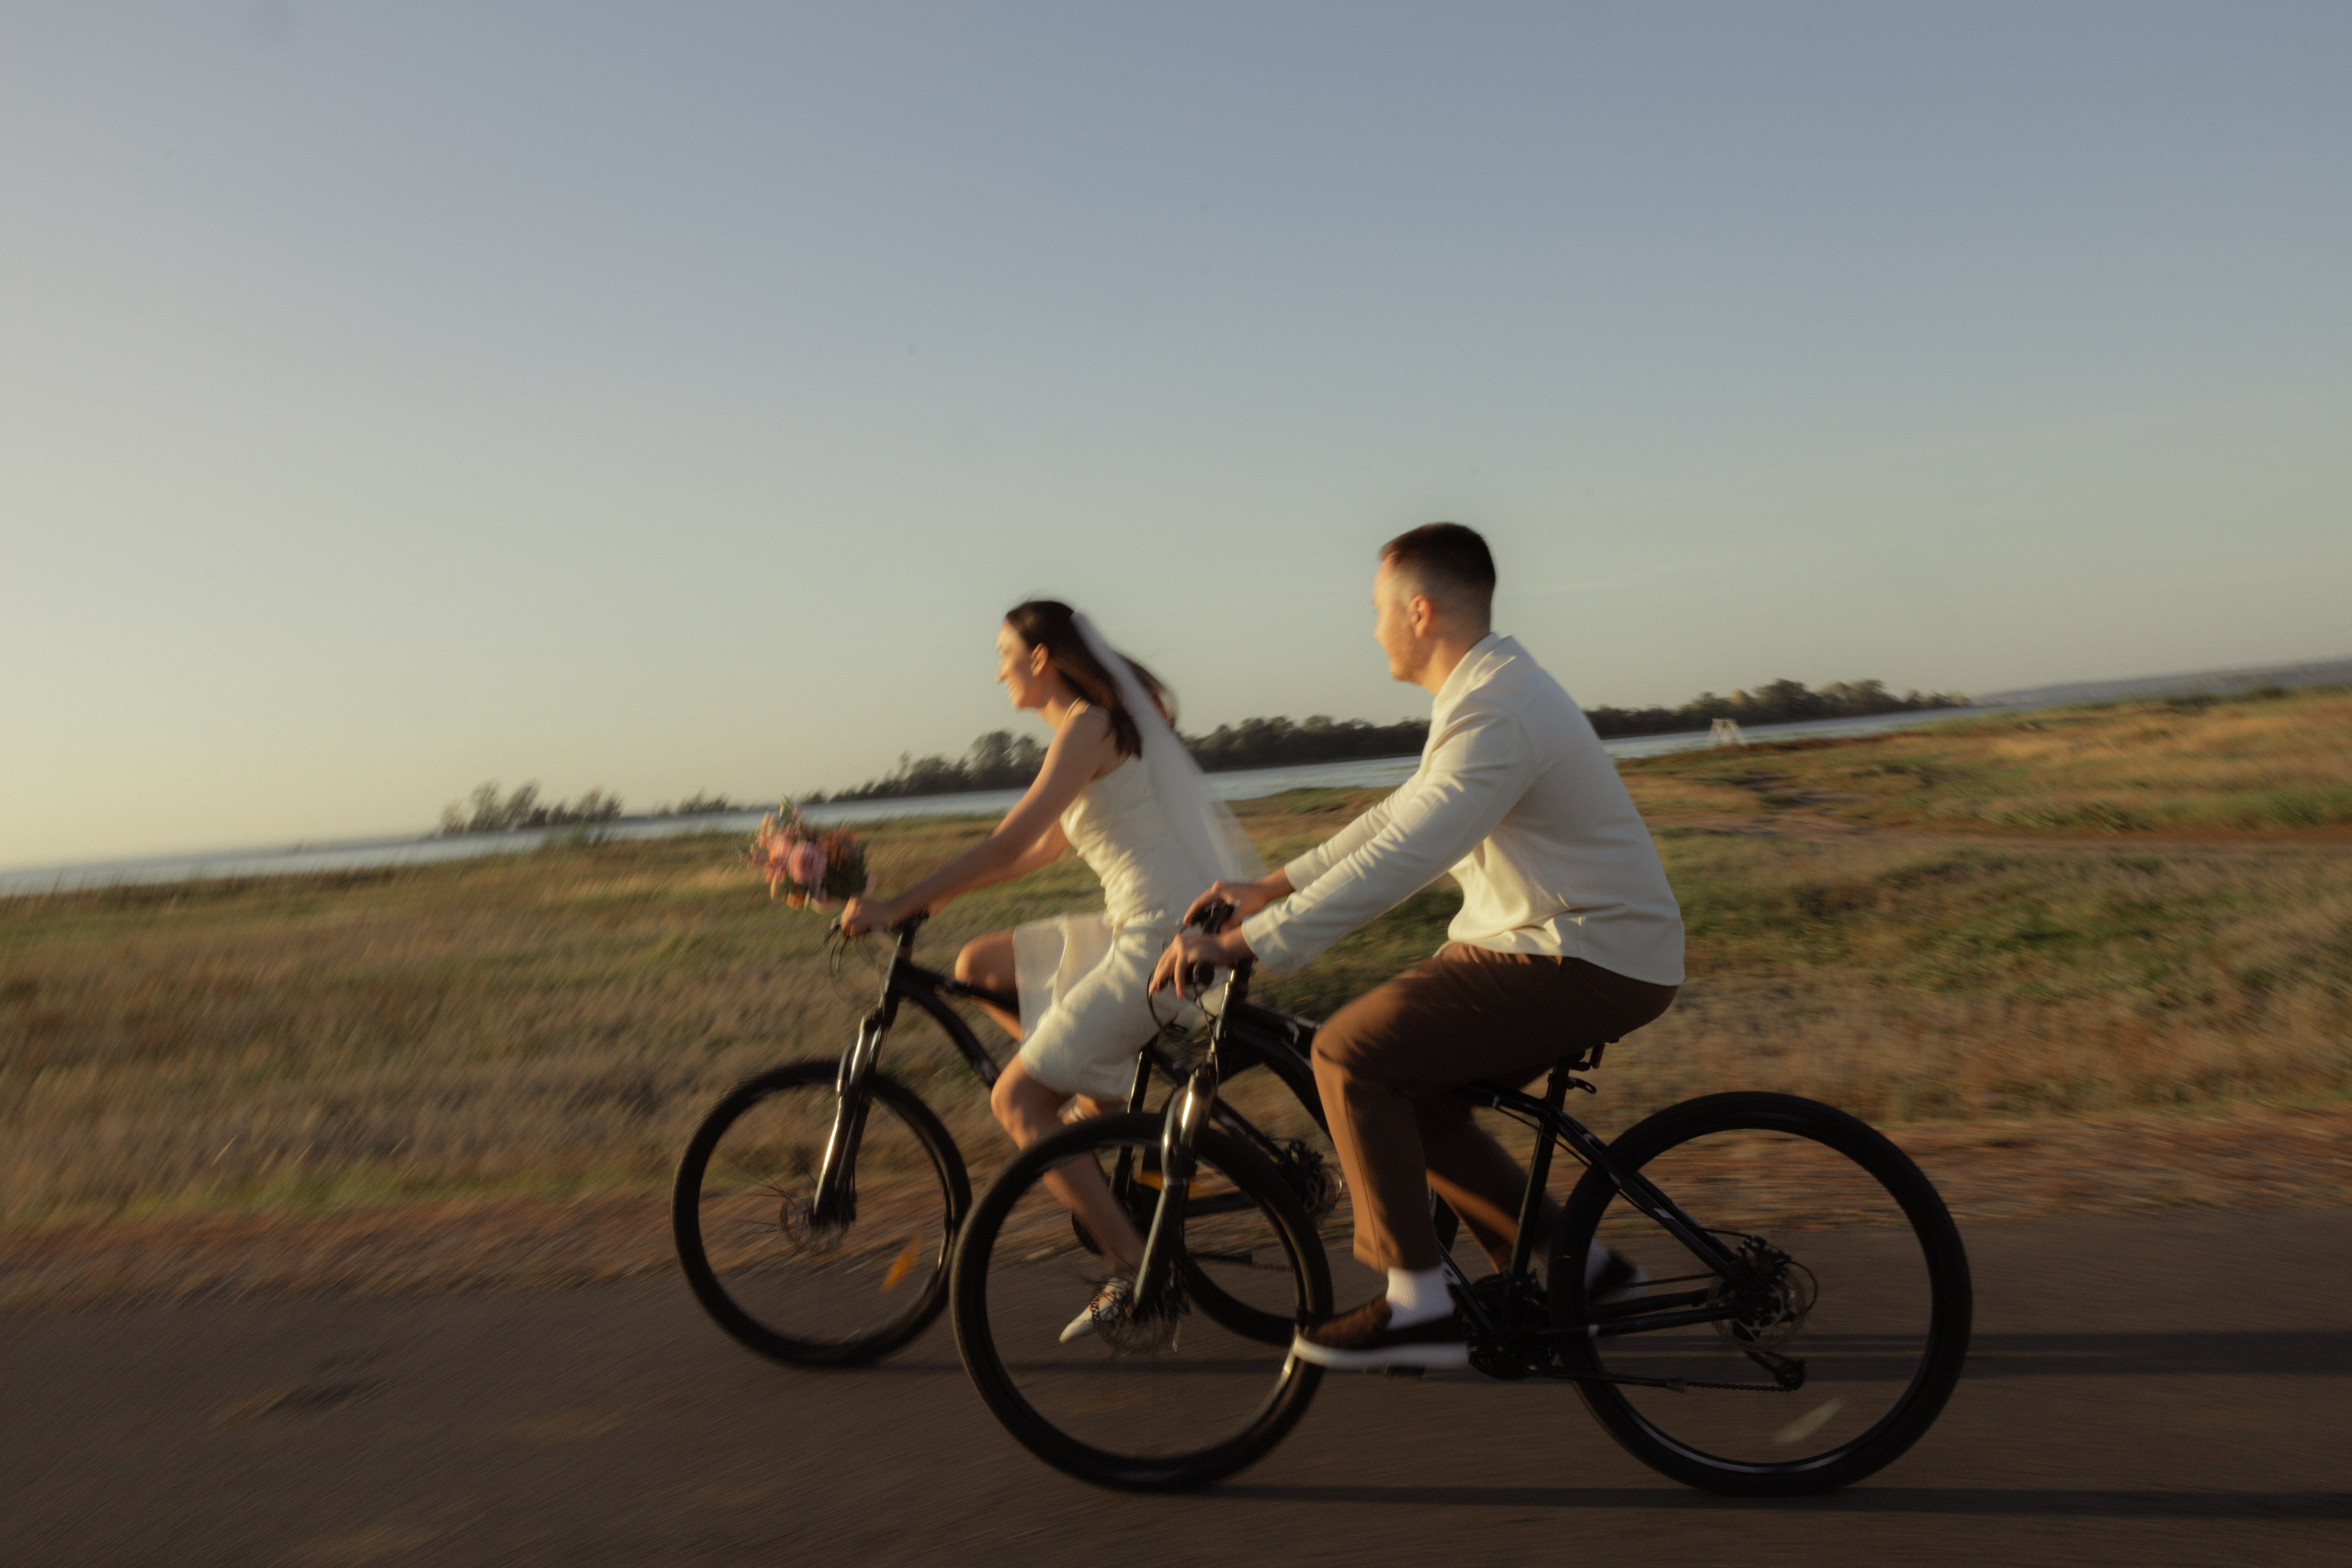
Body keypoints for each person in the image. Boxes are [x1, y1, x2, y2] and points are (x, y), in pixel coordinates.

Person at [1151, 524, 1685, 1370]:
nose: (1372, 629)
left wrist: (1251, 941)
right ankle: (1576, 1264)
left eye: (1376, 610)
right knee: (1417, 1093)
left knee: (1350, 1052)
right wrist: (1273, 887)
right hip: (1565, 943)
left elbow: (1407, 855)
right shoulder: (1488, 693)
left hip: (1580, 953)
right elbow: (1402, 814)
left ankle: (1417, 1304)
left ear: (1421, 610)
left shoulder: (1499, 706)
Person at [842, 599, 1261, 1341]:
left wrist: (898, 901)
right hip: (1144, 919)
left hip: (1159, 937)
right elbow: (1038, 853)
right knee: (980, 963)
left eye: (1005, 652)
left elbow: (1009, 844)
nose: (997, 667)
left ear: (1041, 658)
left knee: (1016, 1102)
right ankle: (1093, 1085)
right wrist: (930, 907)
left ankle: (1136, 1269)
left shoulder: (1088, 727)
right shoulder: (1091, 728)